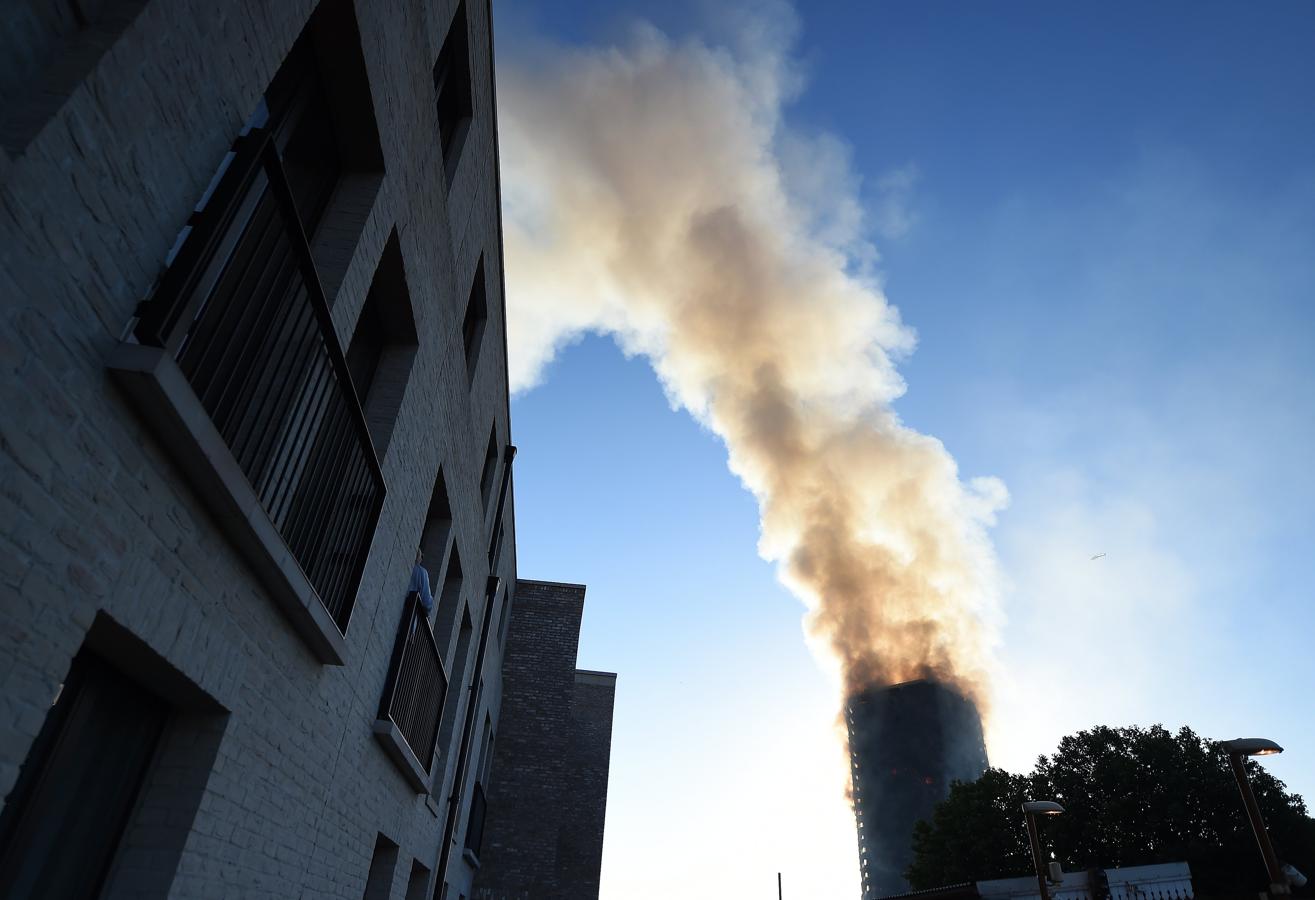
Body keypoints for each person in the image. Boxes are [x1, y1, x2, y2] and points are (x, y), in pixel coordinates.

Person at [410, 548, 434, 615]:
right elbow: (427, 604)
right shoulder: (421, 572)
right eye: (421, 556)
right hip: (408, 614)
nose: (422, 559)